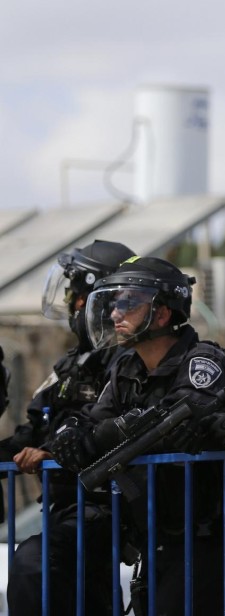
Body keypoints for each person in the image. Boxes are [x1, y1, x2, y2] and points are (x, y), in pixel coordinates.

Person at [50, 255, 225, 616]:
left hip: (208, 534)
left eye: (128, 302)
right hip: (157, 532)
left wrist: (106, 435)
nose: (116, 314)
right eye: (114, 303)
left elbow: (177, 421)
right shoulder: (125, 368)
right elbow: (92, 421)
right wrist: (79, 435)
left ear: (161, 314)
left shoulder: (201, 362)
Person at [1, 239, 134, 616]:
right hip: (67, 509)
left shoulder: (126, 362)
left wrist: (54, 450)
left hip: (104, 508)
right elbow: (32, 431)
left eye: (77, 293)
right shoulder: (72, 363)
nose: (71, 302)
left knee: (33, 565)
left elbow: (105, 425)